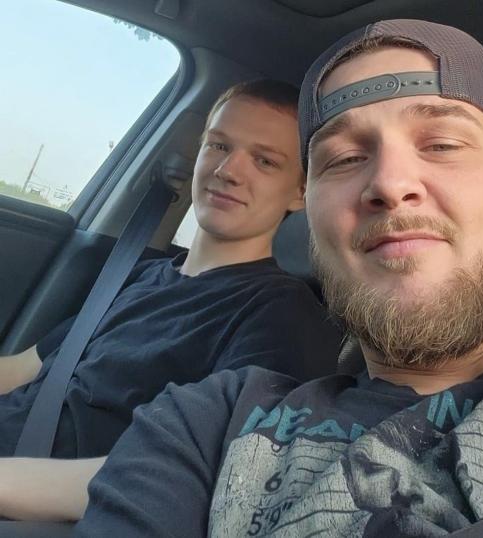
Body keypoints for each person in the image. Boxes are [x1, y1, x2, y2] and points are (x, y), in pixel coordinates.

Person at [75, 19, 483, 537]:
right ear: (311, 219)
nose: (389, 182)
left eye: (442, 144)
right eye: (344, 159)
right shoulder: (206, 424)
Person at [0, 79, 343, 521]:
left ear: (300, 191)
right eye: (218, 146)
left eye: (264, 160)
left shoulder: (283, 317)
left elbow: (193, 476)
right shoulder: (141, 276)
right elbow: (25, 368)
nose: (228, 170)